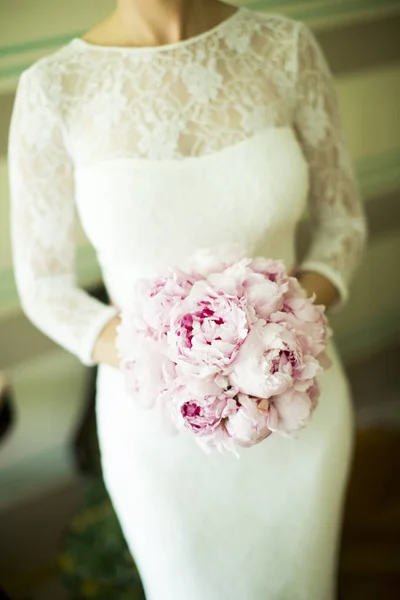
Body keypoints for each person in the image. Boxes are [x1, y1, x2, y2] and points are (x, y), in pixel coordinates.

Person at [8, 1, 367, 598]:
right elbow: (45, 288)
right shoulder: (53, 89)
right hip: (161, 434)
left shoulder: (285, 48)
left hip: (293, 403)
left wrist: (271, 330)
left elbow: (344, 226)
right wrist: (176, 363)